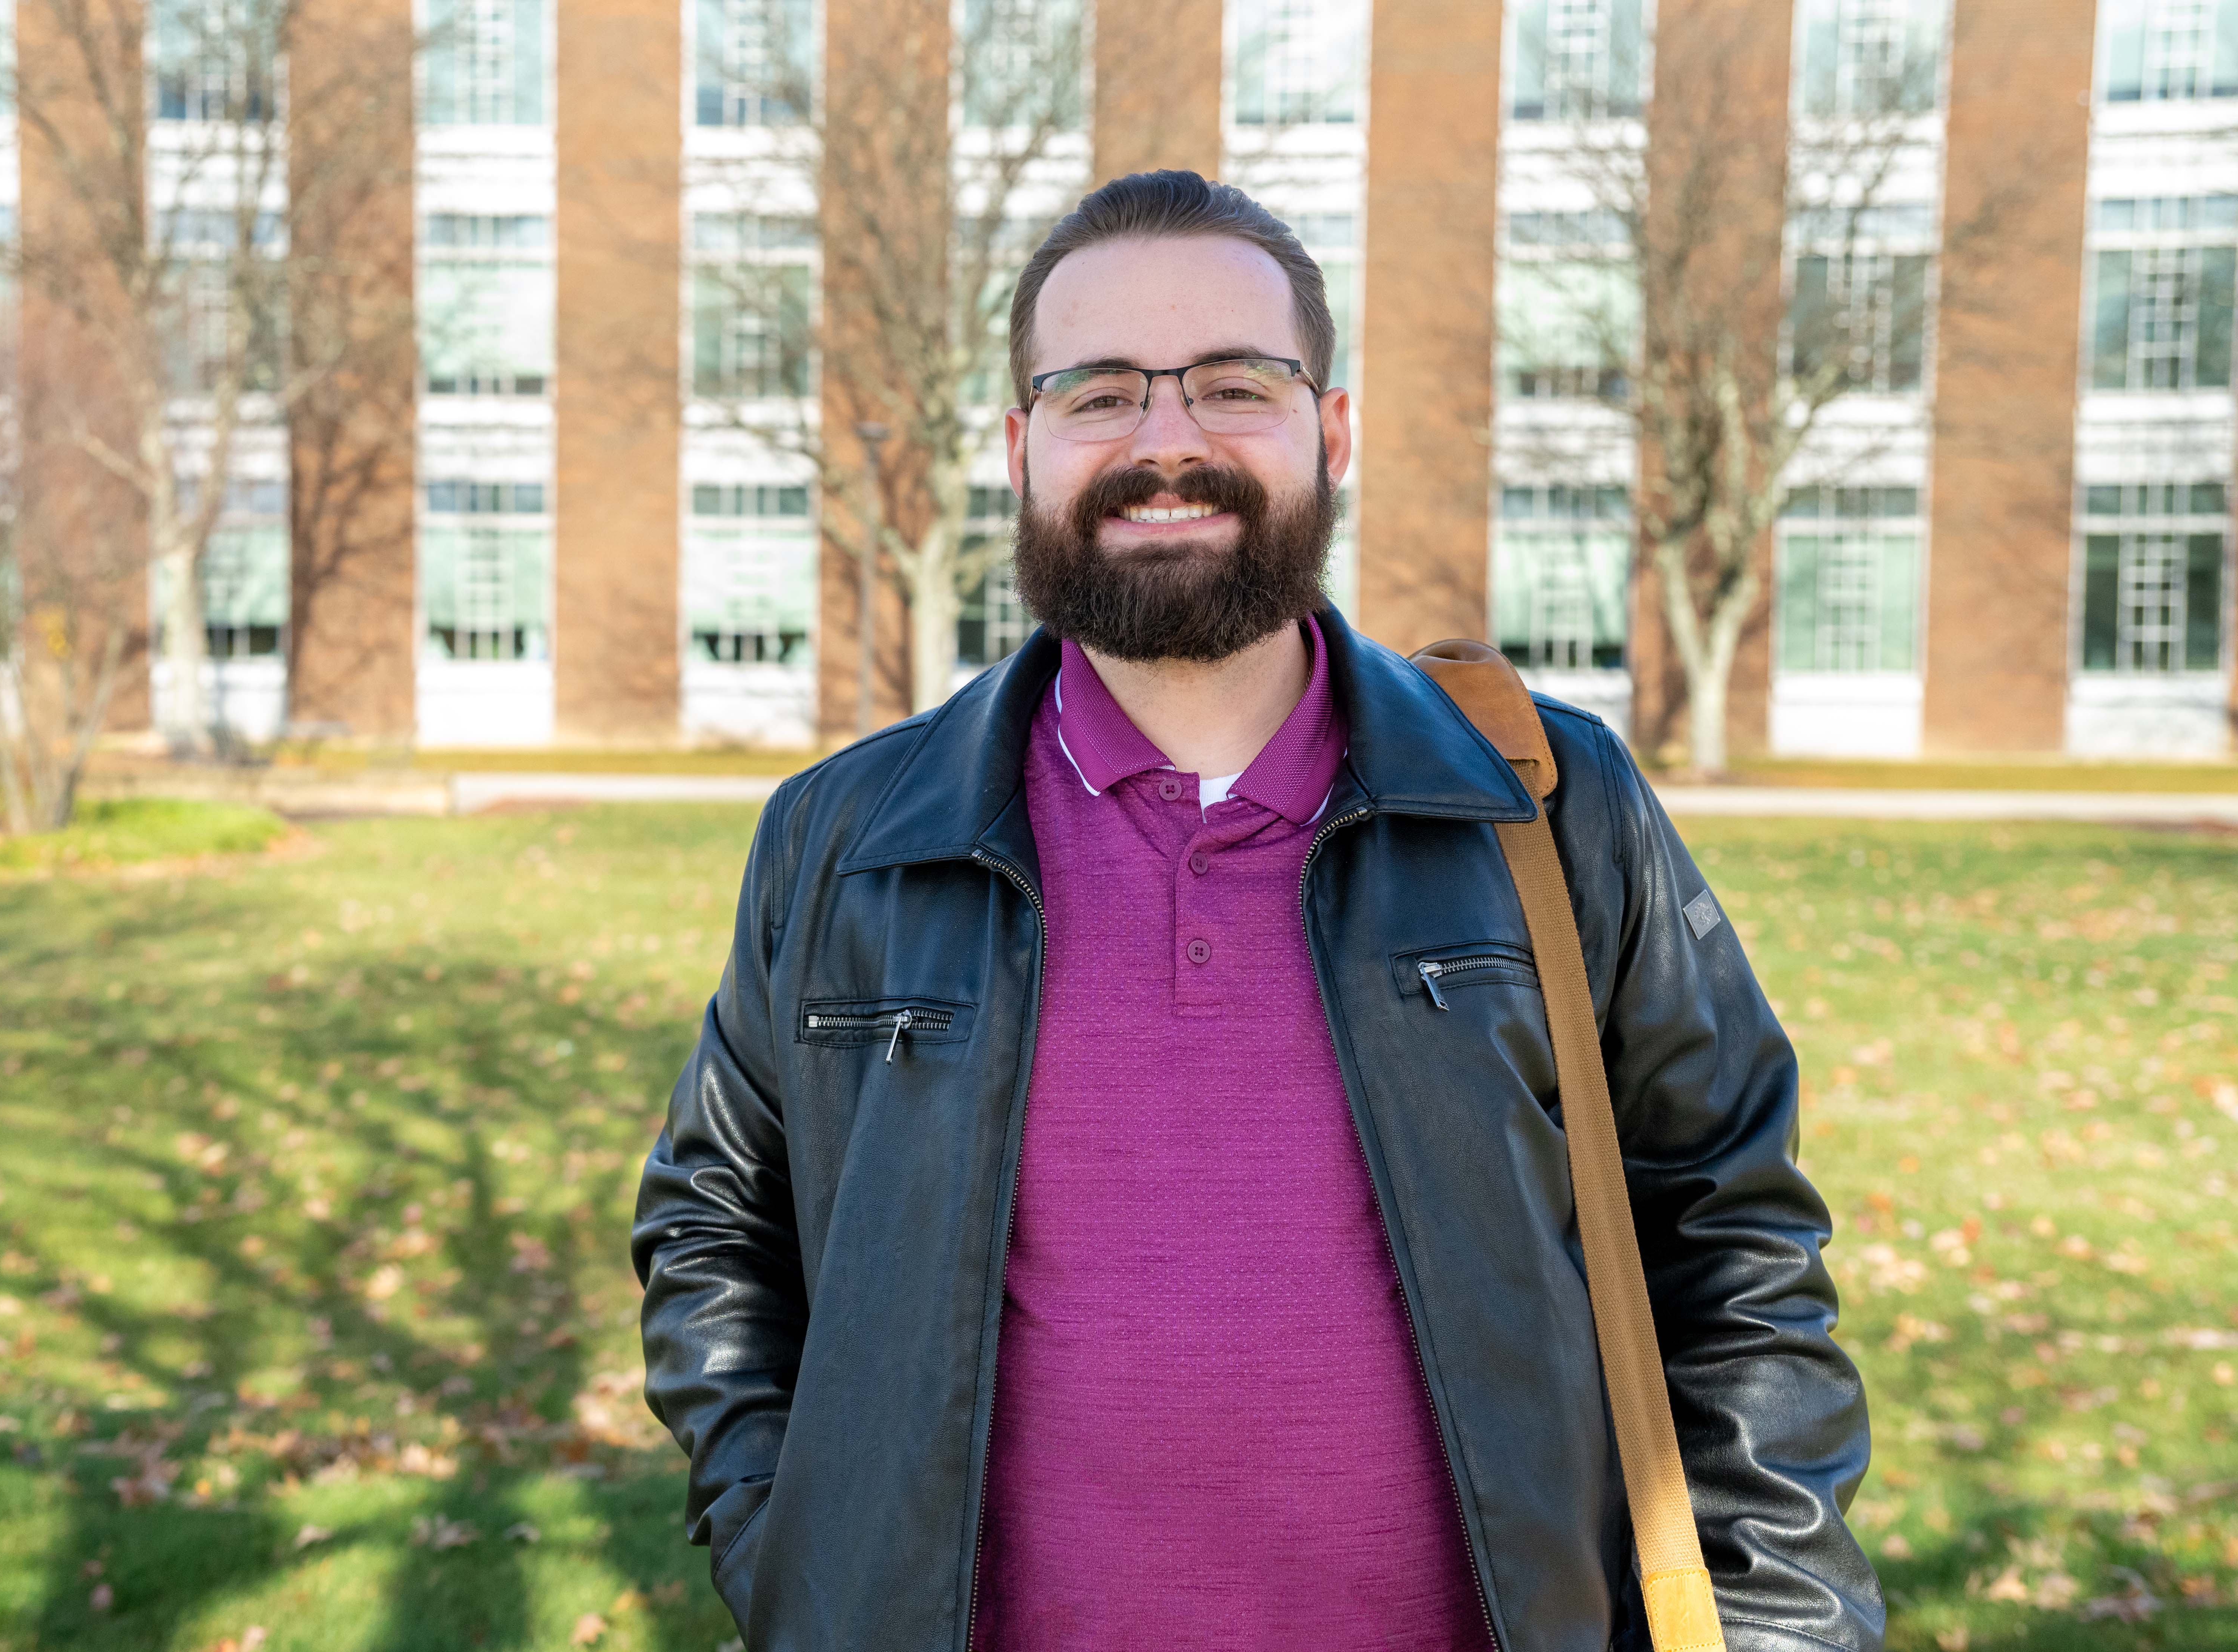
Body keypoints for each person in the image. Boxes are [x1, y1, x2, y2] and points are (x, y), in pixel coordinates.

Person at [632, 169, 1881, 1652]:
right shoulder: (843, 840)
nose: (1167, 441)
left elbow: (1729, 1234)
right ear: (1021, 449)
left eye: (1233, 383)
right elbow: (715, 1221)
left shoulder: (1544, 804)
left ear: (1329, 432)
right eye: (1100, 393)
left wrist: (1782, 1626)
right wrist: (800, 1556)